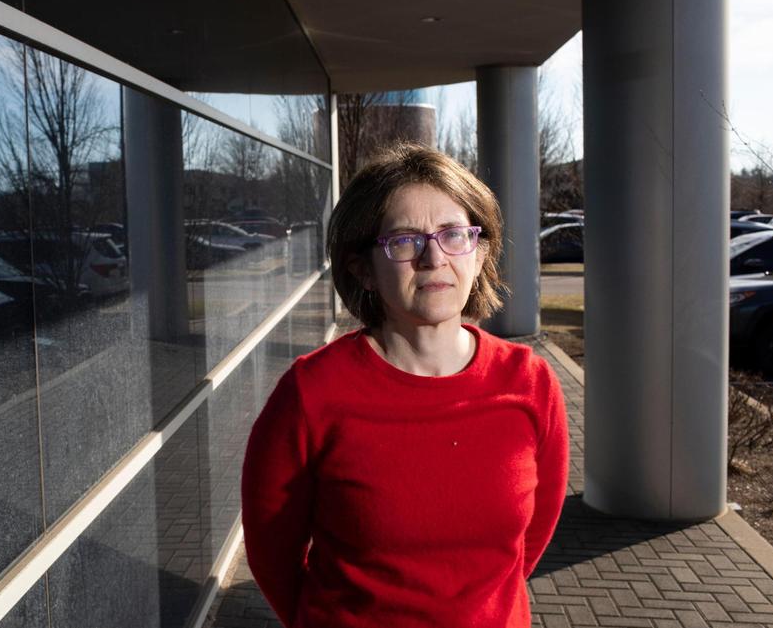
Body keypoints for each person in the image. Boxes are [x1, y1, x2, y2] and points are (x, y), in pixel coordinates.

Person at [241, 143, 569, 627]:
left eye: (454, 235)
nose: (434, 258)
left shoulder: (530, 383)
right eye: (405, 241)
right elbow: (272, 551)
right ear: (363, 269)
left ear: (479, 255)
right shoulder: (312, 394)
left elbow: (530, 540)